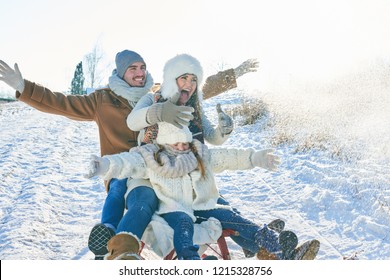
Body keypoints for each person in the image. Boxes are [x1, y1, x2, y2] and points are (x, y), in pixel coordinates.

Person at [0, 52, 260, 259]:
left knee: (213, 199)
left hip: (163, 166)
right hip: (123, 167)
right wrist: (24, 87)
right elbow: (62, 103)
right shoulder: (103, 100)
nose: (139, 72)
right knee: (129, 195)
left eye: (143, 67)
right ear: (121, 73)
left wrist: (233, 74)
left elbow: (196, 86)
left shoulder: (158, 93)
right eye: (133, 68)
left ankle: (257, 240)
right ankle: (113, 241)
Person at [87, 122, 320, 260]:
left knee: (233, 217)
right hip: (178, 209)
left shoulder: (199, 154)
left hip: (204, 204)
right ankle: (194, 261)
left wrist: (254, 158)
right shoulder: (152, 159)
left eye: (184, 143)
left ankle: (276, 248)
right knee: (206, 222)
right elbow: (127, 162)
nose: (181, 148)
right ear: (164, 143)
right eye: (175, 144)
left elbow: (227, 157)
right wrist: (104, 165)